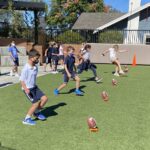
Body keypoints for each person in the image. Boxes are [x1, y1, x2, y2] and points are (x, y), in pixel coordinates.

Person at [20, 49, 48, 125]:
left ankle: (36, 112)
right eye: (36, 58)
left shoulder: (35, 67)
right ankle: (26, 119)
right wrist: (26, 89)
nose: (37, 60)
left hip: (35, 87)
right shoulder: (25, 68)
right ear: (31, 58)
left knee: (45, 99)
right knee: (35, 104)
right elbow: (22, 80)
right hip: (28, 89)